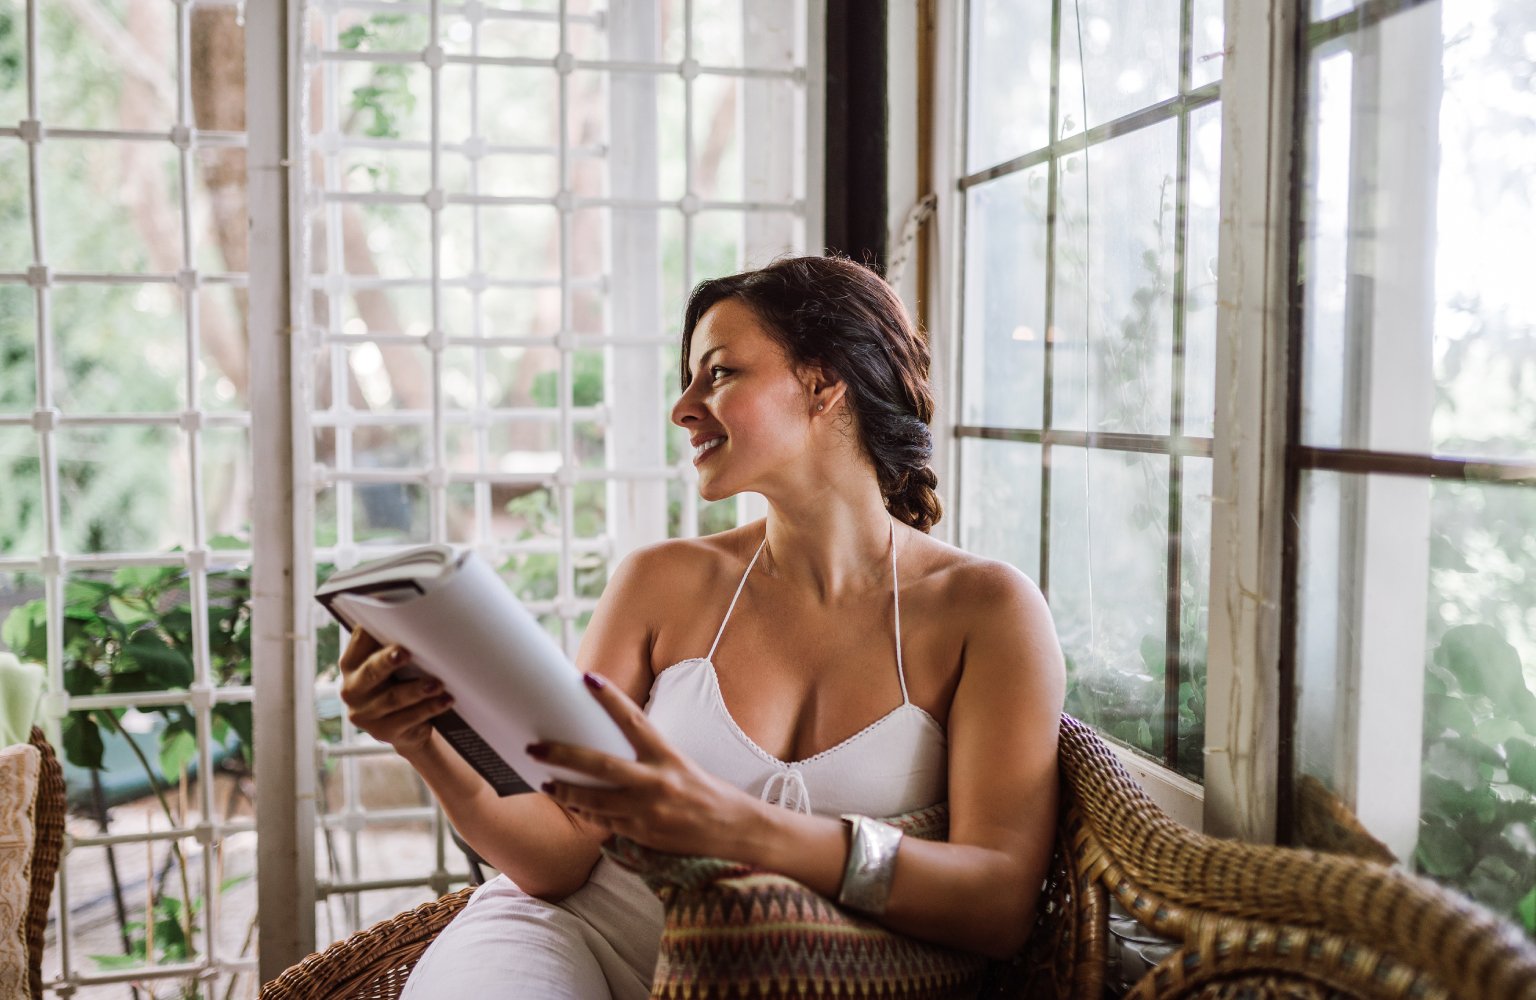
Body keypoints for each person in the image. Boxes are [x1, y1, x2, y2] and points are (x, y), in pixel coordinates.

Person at [338, 255, 1065, 998]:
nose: (682, 408)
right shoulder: (660, 584)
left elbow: (997, 903)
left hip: (773, 978)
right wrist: (418, 739)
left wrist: (732, 826)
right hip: (566, 940)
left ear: (822, 384)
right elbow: (556, 860)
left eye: (717, 374)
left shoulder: (987, 611)